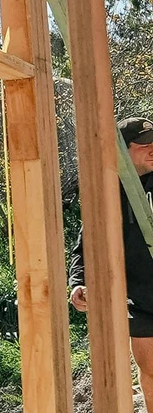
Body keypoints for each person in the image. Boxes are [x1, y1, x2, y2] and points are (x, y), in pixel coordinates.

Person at [70, 116, 153, 393]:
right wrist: (78, 283)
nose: (152, 149)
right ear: (123, 151)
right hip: (140, 299)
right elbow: (87, 244)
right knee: (150, 371)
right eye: (143, 145)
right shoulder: (107, 193)